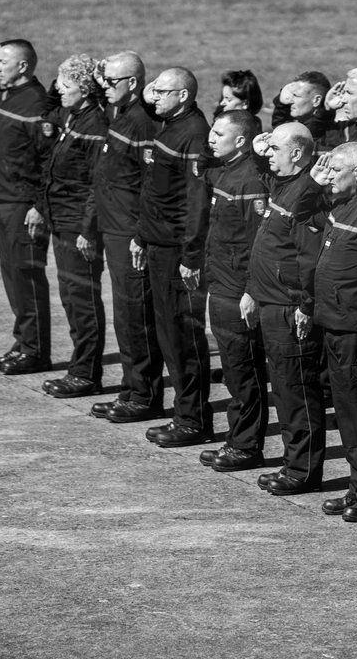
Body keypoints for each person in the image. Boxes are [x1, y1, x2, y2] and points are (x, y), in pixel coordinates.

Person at [306, 143, 357, 522]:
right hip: (333, 323)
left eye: (334, 168)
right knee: (345, 413)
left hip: (355, 328)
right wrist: (312, 184)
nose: (326, 173)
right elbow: (298, 217)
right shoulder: (338, 206)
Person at [135, 67, 214, 448]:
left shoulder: (193, 133)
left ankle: (193, 420)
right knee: (166, 334)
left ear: (182, 95)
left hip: (175, 251)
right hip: (157, 243)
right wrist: (141, 234)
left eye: (163, 92)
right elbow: (155, 190)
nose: (154, 97)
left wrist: (191, 255)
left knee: (183, 337)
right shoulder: (171, 124)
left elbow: (196, 203)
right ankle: (182, 414)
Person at [87, 51, 166, 423]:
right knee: (125, 315)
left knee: (137, 315)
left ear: (132, 83)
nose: (105, 88)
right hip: (113, 229)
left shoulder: (143, 124)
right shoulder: (121, 116)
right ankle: (130, 389)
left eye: (111, 82)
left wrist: (139, 234)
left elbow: (152, 187)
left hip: (131, 234)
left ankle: (144, 395)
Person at [249, 122, 326, 495]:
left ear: (296, 153)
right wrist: (252, 289)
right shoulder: (284, 183)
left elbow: (308, 259)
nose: (268, 155)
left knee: (296, 390)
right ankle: (292, 463)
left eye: (275, 149)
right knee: (283, 389)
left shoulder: (308, 192)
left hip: (288, 306)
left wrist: (305, 306)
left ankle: (303, 470)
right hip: (270, 300)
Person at [198, 109, 270, 470]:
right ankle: (236, 439)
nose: (210, 138)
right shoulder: (226, 170)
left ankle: (246, 446)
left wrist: (251, 290)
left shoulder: (251, 180)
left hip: (237, 288)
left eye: (218, 133)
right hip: (221, 282)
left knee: (245, 371)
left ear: (240, 140)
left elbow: (256, 243)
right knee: (232, 369)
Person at [0, 39, 52, 375]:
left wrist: (39, 206)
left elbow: (48, 160)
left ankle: (36, 351)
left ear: (23, 66)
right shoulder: (8, 96)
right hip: (6, 200)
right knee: (13, 276)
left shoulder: (36, 103)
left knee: (27, 276)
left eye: (2, 60)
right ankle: (23, 342)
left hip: (24, 204)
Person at [36, 54, 108, 398]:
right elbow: (47, 111)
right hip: (61, 220)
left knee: (82, 299)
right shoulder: (73, 114)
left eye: (65, 83)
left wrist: (87, 231)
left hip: (77, 225)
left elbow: (97, 184)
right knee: (70, 295)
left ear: (84, 88)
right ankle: (79, 368)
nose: (58, 88)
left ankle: (85, 374)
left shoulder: (94, 125)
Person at [271, 71, 341, 154]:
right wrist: (282, 105)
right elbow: (282, 131)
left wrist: (325, 108)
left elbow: (313, 127)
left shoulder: (328, 133)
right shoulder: (304, 124)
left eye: (296, 95)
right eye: (291, 94)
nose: (290, 100)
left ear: (317, 100)